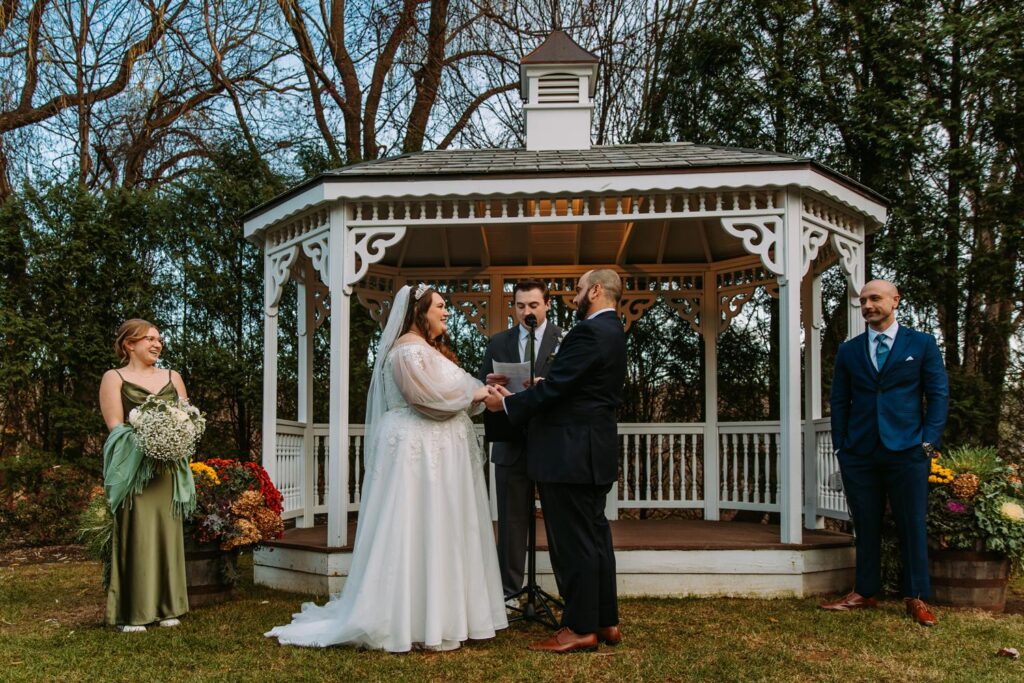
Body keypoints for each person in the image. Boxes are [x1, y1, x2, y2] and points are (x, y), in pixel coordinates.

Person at [266, 284, 508, 652]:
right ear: (419, 311)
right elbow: (424, 398)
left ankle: (447, 615)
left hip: (441, 453)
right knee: (415, 526)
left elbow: (454, 391)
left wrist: (485, 391)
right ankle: (408, 617)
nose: (446, 313)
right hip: (420, 449)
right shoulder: (406, 350)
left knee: (444, 527)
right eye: (440, 307)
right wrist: (474, 395)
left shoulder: (429, 349)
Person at [484, 269, 626, 653]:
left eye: (579, 290)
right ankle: (605, 620)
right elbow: (575, 386)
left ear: (595, 291)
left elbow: (559, 388)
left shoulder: (587, 332)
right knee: (596, 538)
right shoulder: (614, 331)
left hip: (571, 453)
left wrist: (507, 402)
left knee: (575, 543)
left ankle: (580, 628)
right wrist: (544, 387)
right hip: (593, 451)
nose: (575, 297)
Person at [822, 279, 949, 626]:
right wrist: (841, 445)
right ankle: (864, 592)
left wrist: (928, 441)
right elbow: (840, 401)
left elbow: (937, 394)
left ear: (895, 301)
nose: (867, 306)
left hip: (908, 449)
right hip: (860, 452)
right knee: (865, 523)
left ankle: (916, 597)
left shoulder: (921, 344)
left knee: (912, 523)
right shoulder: (850, 350)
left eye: (874, 298)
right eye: (862, 301)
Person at [98, 319, 191, 632]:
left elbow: (187, 418)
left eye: (159, 339)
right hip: (134, 471)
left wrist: (175, 437)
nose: (157, 344)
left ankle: (168, 607)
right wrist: (148, 440)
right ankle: (133, 609)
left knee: (167, 533)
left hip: (168, 470)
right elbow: (115, 427)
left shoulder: (172, 377)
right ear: (129, 345)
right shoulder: (114, 378)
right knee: (137, 535)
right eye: (149, 338)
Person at [478, 279, 564, 603]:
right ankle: (509, 595)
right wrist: (490, 382)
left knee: (558, 523)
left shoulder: (564, 340)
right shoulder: (498, 342)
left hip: (552, 442)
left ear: (546, 305)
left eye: (533, 305)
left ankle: (568, 592)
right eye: (520, 306)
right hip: (510, 440)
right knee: (512, 524)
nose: (526, 311)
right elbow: (484, 386)